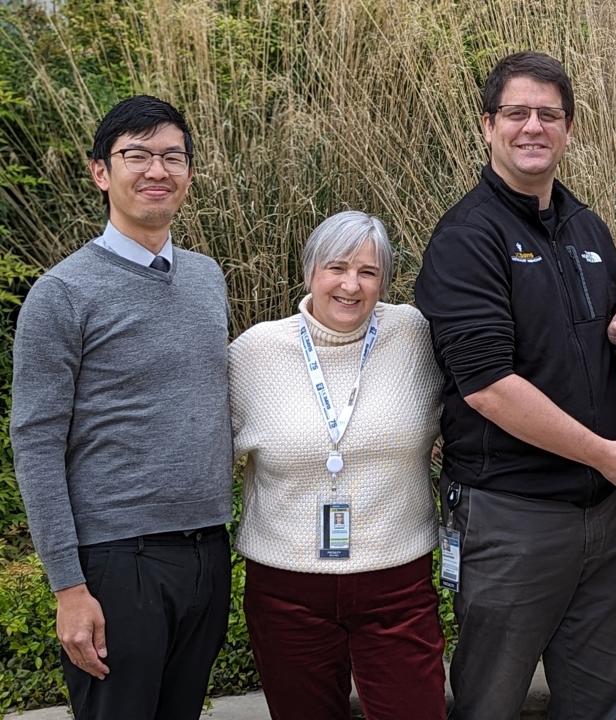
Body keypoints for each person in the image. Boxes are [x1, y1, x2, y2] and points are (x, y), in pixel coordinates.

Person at [414, 51, 616, 719]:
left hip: (604, 516)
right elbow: (488, 387)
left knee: (599, 698)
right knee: (491, 702)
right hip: (513, 514)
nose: (533, 127)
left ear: (570, 128)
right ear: (487, 125)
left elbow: (580, 347)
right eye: (517, 113)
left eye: (548, 115)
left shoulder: (587, 229)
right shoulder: (466, 238)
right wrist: (605, 454)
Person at [11, 95, 232, 719]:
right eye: (137, 155)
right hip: (116, 564)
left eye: (172, 156)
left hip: (206, 554)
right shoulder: (62, 293)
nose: (156, 170)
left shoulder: (205, 277)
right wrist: (68, 586)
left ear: (189, 173)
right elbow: (35, 442)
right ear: (101, 172)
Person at [228, 210, 446, 720]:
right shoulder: (253, 353)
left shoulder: (415, 335)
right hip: (286, 588)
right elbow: (210, 462)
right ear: (310, 273)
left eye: (368, 273)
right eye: (337, 268)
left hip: (397, 580)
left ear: (385, 282)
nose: (351, 285)